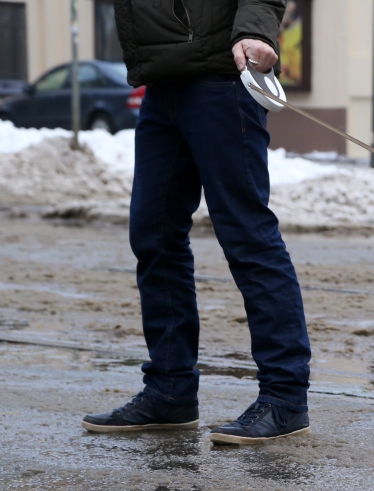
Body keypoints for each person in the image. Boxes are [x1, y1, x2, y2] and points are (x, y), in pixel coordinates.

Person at [82, 0, 313, 444]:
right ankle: (169, 391)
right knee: (154, 236)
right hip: (162, 83)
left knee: (248, 237)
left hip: (221, 81)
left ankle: (285, 399)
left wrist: (258, 33)